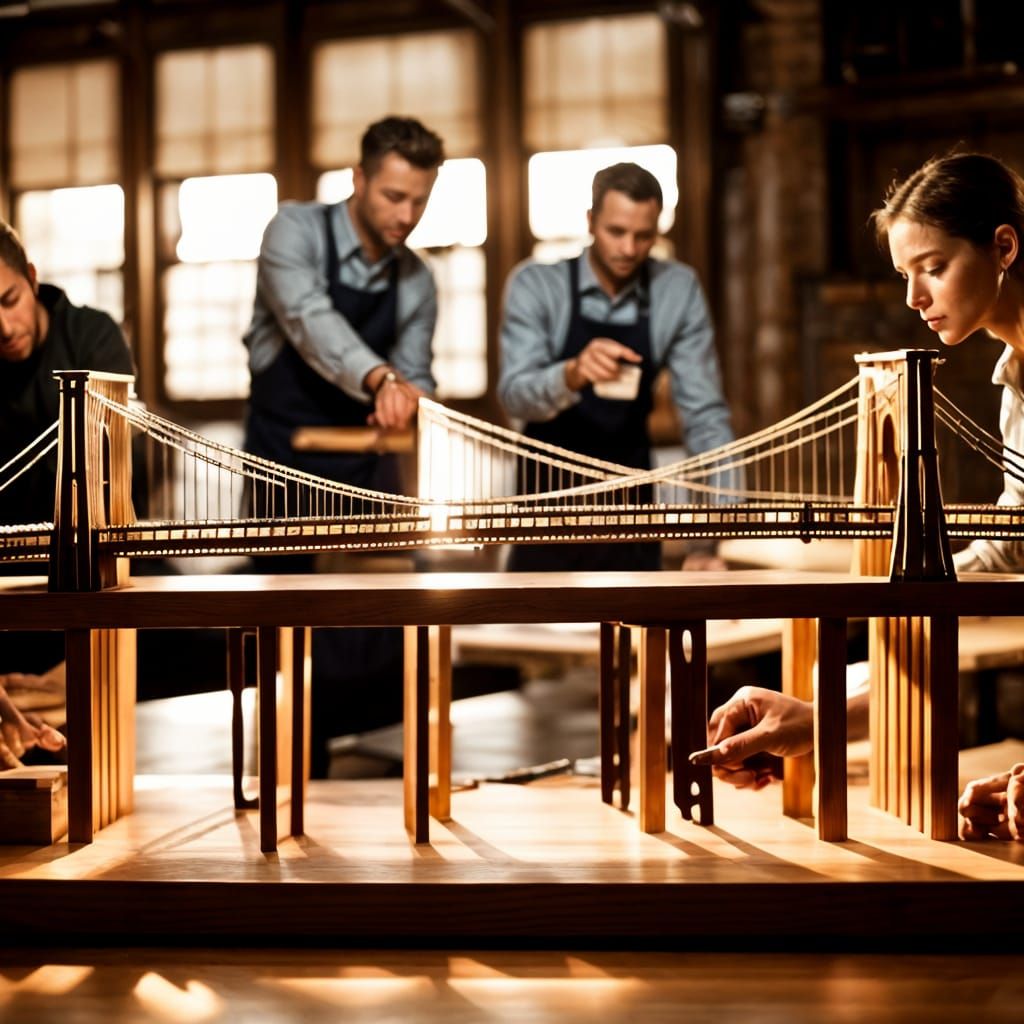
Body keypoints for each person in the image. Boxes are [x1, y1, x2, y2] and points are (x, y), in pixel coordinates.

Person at [695, 152, 1024, 840]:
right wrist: (819, 709)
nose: (914, 299)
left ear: (1003, 246)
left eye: (932, 267)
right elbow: (1003, 552)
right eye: (905, 275)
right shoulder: (1013, 387)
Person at [241, 116, 444, 776]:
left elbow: (417, 371)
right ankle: (285, 787)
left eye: (420, 199)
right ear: (357, 180)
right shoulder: (293, 231)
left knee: (382, 623)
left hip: (363, 465)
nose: (406, 215)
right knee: (279, 636)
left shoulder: (416, 282)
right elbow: (309, 323)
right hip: (282, 455)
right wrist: (379, 376)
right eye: (392, 196)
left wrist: (410, 396)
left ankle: (390, 787)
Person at [498, 161, 735, 573]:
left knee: (635, 632)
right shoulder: (534, 285)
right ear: (590, 222)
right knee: (540, 634)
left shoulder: (677, 291)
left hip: (630, 502)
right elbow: (514, 398)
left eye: (643, 236)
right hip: (543, 503)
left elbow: (705, 419)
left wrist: (707, 541)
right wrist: (571, 373)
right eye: (616, 232)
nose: (629, 249)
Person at [0, 217, 136, 763]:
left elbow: (111, 470)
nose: (3, 327)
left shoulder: (92, 336)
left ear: (31, 278)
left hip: (92, 563)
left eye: (8, 299)